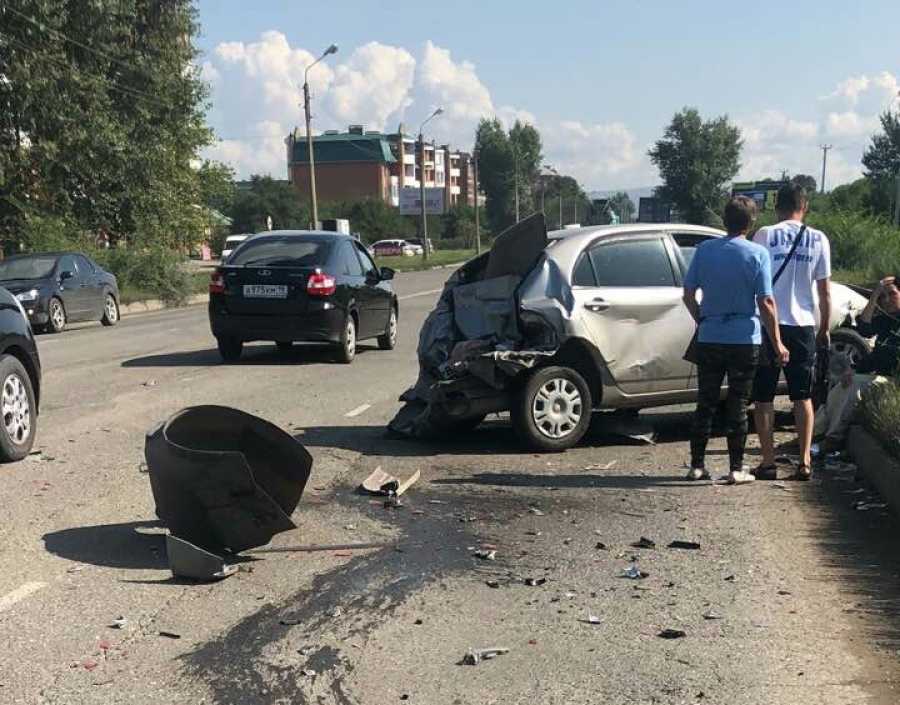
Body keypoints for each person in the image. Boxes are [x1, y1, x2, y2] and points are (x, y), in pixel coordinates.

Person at [683, 196, 789, 484]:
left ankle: (696, 465)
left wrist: (702, 318)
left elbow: (688, 294)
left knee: (705, 401)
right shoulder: (757, 254)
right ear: (751, 222)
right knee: (738, 402)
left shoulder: (704, 251)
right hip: (745, 337)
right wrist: (777, 341)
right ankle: (736, 468)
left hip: (710, 336)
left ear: (723, 219)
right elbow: (765, 301)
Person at [751, 184, 831, 481]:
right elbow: (824, 292)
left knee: (764, 396)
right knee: (802, 396)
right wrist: (823, 329)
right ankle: (805, 460)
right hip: (803, 325)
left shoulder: (765, 235)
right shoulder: (819, 238)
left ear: (777, 206)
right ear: (805, 206)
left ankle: (769, 462)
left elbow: (757, 283)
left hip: (770, 324)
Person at [814, 276, 900, 444]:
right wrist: (875, 294)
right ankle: (814, 433)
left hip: (895, 382)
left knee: (853, 386)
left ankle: (833, 438)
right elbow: (864, 327)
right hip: (883, 378)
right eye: (883, 297)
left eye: (892, 294)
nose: (887, 300)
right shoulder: (885, 321)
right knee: (841, 386)